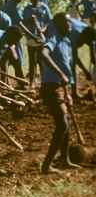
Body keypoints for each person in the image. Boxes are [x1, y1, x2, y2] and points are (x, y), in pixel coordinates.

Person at [39, 13, 77, 174]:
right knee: (62, 124)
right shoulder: (54, 39)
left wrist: (67, 93)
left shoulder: (67, 42)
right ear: (59, 24)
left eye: (70, 21)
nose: (70, 24)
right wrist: (59, 73)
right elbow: (43, 53)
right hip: (50, 88)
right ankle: (46, 165)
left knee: (66, 124)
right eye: (66, 21)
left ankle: (65, 159)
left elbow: (66, 71)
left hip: (61, 88)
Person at [22, 0, 52, 85]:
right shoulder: (27, 8)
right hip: (31, 37)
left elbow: (49, 21)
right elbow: (23, 23)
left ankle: (44, 81)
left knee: (42, 61)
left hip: (42, 38)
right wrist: (29, 20)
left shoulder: (44, 7)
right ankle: (32, 82)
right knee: (32, 61)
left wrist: (43, 30)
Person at [1, 0, 26, 78]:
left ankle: (6, 81)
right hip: (12, 38)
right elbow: (20, 23)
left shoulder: (10, 5)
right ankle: (21, 82)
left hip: (8, 37)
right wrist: (32, 35)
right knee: (16, 60)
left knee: (5, 60)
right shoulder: (13, 7)